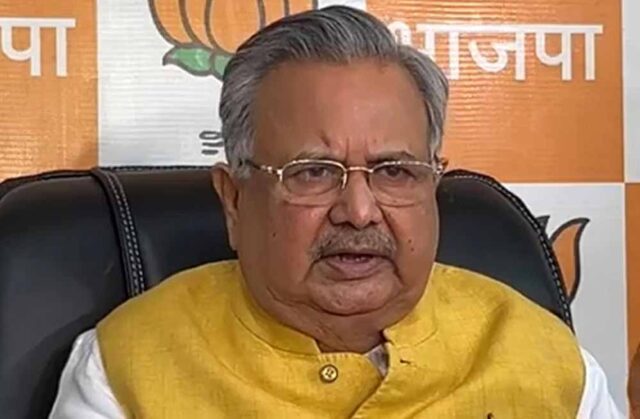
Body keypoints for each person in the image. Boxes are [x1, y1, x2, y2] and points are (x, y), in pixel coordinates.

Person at [50, 6, 623, 418]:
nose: (359, 211)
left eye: (395, 171)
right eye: (312, 173)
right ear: (234, 200)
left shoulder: (547, 364)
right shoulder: (126, 371)